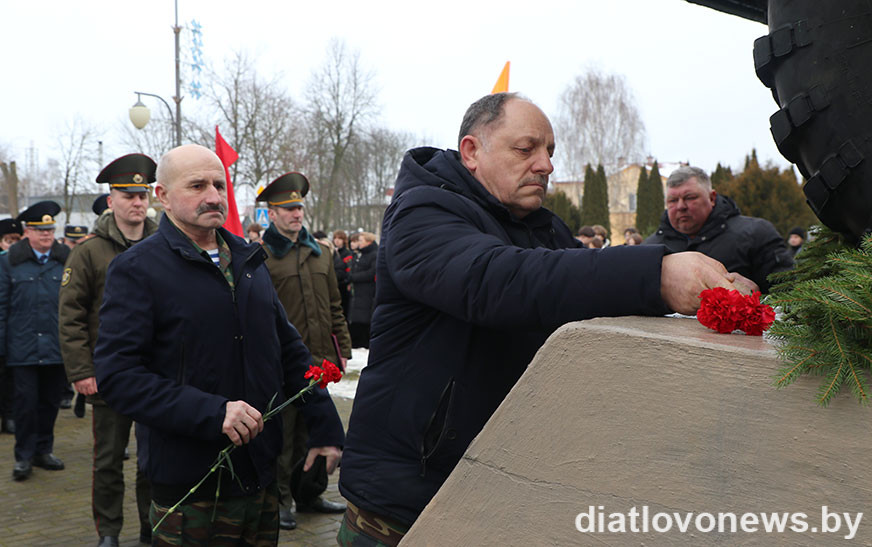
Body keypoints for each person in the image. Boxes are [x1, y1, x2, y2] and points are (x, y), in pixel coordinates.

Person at [337, 92, 749, 545]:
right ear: (473, 152)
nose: (546, 165)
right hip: (405, 505)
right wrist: (658, 273)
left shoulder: (541, 226)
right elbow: (496, 281)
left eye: (550, 151)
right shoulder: (422, 212)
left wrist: (712, 285)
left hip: (492, 490)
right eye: (526, 148)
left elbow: (589, 292)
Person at [93, 144, 345, 545]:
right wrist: (212, 412)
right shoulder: (137, 269)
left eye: (218, 184)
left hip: (260, 476)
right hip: (192, 487)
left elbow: (289, 349)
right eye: (196, 185)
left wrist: (324, 424)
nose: (213, 196)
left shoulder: (248, 260)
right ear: (163, 196)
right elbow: (118, 377)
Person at [58, 154, 159, 547]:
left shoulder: (164, 244)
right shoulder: (89, 251)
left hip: (157, 374)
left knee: (154, 458)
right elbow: (71, 316)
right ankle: (110, 532)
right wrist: (82, 371)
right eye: (128, 194)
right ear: (112, 198)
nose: (137, 202)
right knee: (108, 461)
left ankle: (153, 527)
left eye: (143, 194)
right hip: (109, 375)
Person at [257, 173, 352, 530]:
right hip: (281, 364)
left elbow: (334, 306)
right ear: (272, 214)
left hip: (319, 361)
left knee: (318, 434)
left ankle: (308, 495)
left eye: (299, 208)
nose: (296, 214)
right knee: (283, 436)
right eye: (288, 209)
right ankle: (280, 501)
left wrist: (341, 348)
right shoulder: (261, 257)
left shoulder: (320, 253)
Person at [0, 201, 70, 481]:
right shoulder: (8, 263)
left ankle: (44, 450)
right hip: (22, 347)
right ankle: (24, 456)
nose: (47, 236)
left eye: (50, 230)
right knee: (25, 405)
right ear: (27, 232)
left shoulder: (65, 260)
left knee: (50, 403)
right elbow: (1, 307)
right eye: (40, 231)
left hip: (55, 346)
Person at [644, 165, 794, 293]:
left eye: (690, 197)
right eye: (672, 200)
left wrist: (756, 296)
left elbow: (790, 294)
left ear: (712, 198)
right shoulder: (650, 249)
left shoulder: (756, 233)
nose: (681, 206)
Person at [0, 218, 22, 435]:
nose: (12, 246)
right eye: (8, 241)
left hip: (13, 330)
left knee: (9, 380)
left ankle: (8, 416)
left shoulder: (18, 264)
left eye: (17, 240)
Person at [348, 232, 377, 349]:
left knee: (365, 318)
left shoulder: (374, 254)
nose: (359, 243)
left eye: (361, 240)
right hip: (358, 292)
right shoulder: (359, 255)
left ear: (368, 242)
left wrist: (354, 277)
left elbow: (372, 273)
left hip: (367, 292)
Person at [332, 230, 353, 325]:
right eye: (335, 238)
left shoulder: (347, 253)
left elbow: (349, 270)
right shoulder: (332, 252)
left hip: (343, 285)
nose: (337, 241)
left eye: (339, 238)